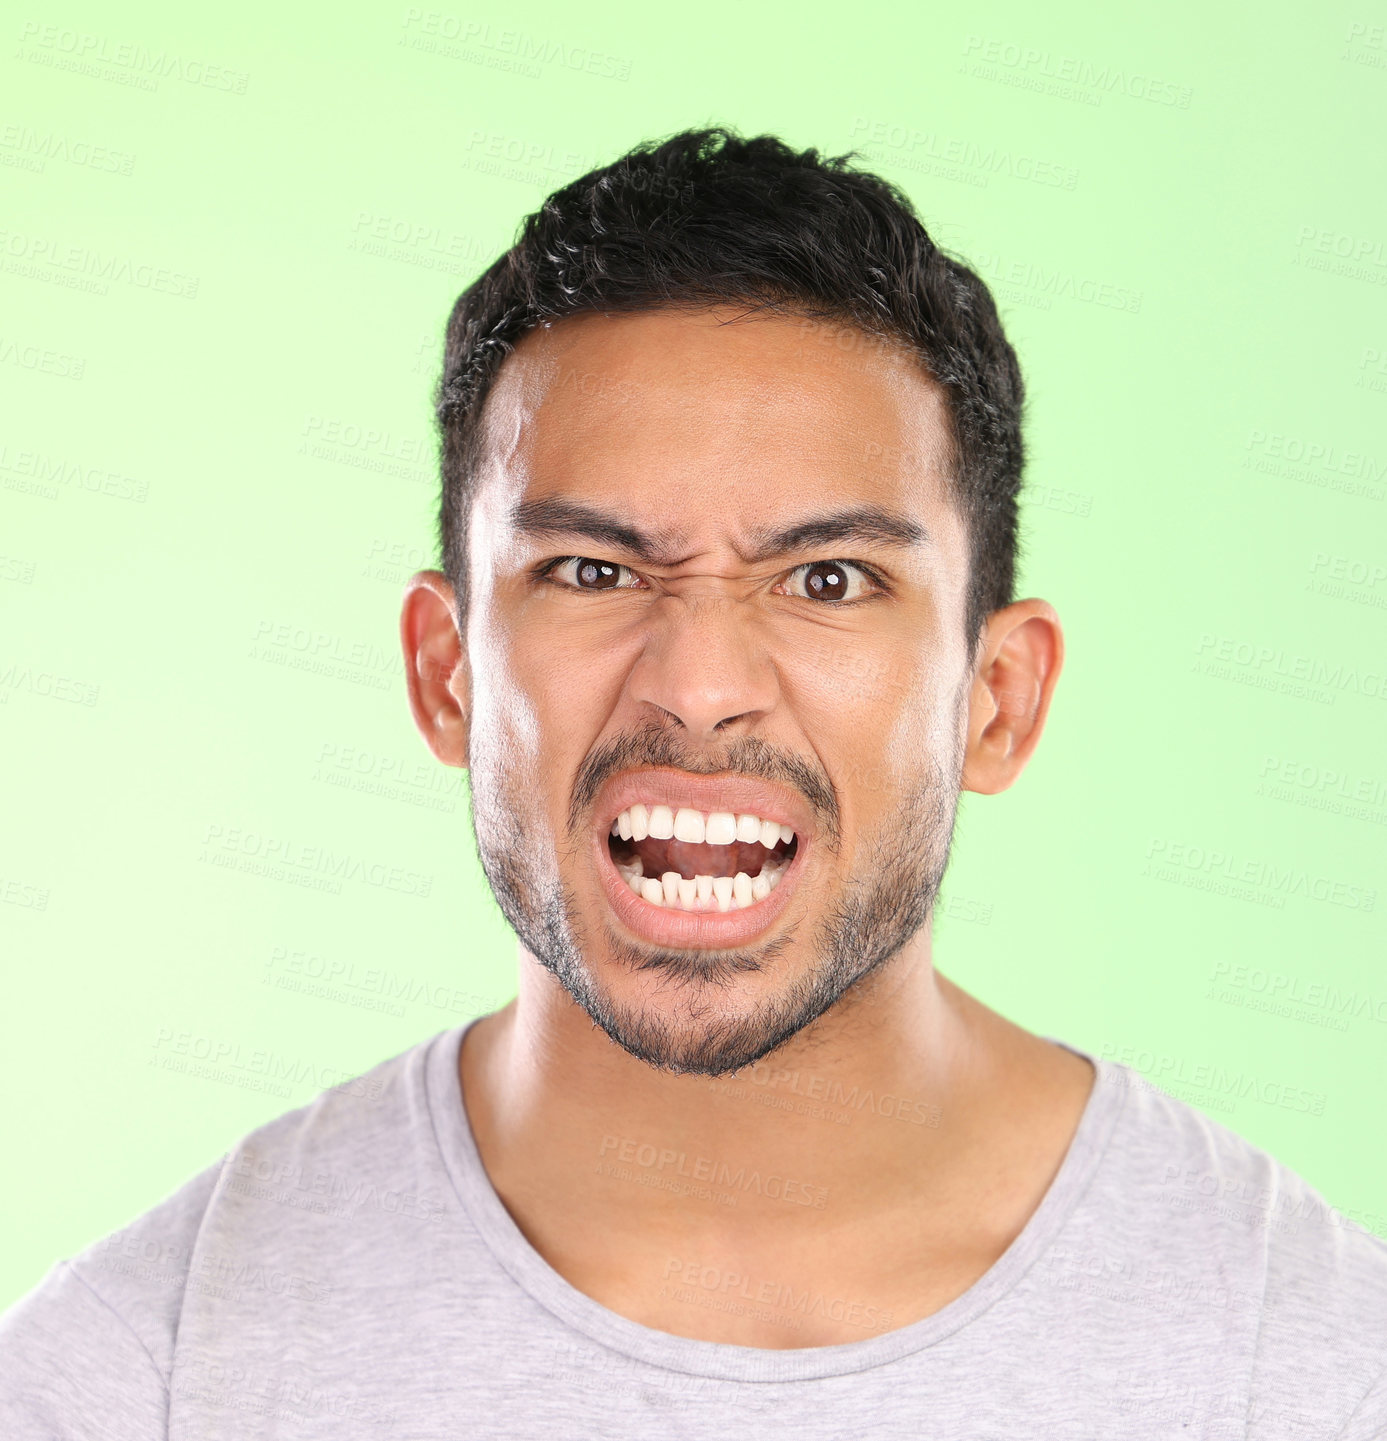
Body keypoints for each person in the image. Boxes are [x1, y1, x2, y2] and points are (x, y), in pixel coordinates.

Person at [2, 125, 1384, 1439]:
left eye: (828, 578)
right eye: (594, 572)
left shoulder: (1307, 1362)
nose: (700, 681)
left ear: (998, 701)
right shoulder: (144, 1374)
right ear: (446, 673)